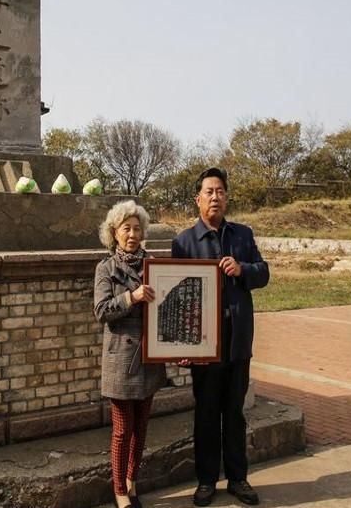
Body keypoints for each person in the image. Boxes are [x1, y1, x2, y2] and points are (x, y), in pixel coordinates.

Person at [171, 168, 269, 507]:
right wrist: (181, 344)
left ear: (227, 197)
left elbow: (264, 272)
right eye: (209, 192)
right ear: (197, 198)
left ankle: (238, 478)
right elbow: (179, 297)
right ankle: (206, 480)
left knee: (235, 413)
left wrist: (243, 270)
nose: (215, 197)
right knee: (207, 413)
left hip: (237, 339)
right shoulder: (184, 241)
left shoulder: (242, 235)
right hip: (203, 345)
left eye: (220, 191)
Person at [94, 200, 167, 508]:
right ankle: (119, 492)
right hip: (121, 360)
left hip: (150, 355)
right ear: (114, 232)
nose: (133, 234)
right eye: (127, 228)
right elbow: (101, 311)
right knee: (122, 430)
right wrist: (132, 297)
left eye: (138, 229)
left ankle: (131, 481)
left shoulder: (155, 265)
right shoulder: (106, 268)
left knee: (141, 428)